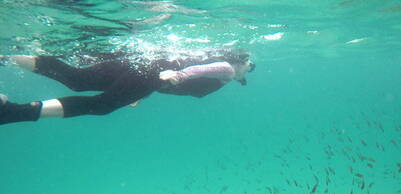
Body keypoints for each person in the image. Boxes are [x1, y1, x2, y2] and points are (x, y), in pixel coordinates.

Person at [0, 49, 255, 125]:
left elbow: (186, 71)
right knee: (100, 106)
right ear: (241, 61)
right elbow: (196, 71)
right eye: (250, 67)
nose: (246, 72)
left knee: (77, 79)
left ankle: (8, 56)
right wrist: (179, 75)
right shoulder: (228, 69)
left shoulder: (224, 72)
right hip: (153, 73)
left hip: (146, 67)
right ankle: (13, 112)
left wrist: (141, 93)